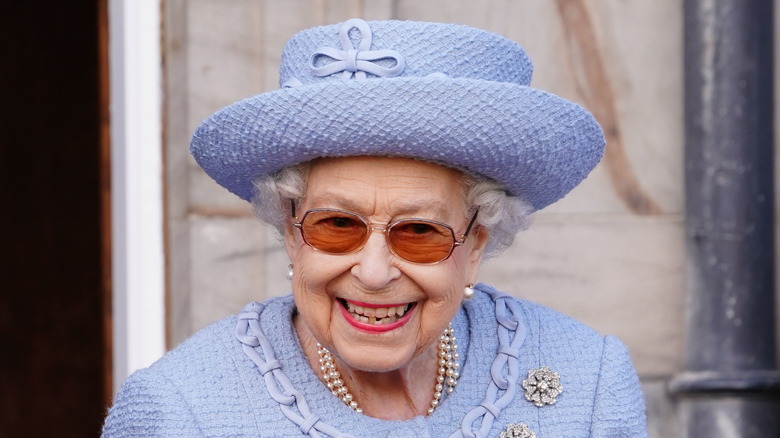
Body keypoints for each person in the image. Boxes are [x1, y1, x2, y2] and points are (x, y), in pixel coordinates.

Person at [103, 18, 647, 438]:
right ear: (291, 231)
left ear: (476, 242)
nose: (374, 271)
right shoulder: (180, 411)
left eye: (419, 233)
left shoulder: (588, 380)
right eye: (337, 225)